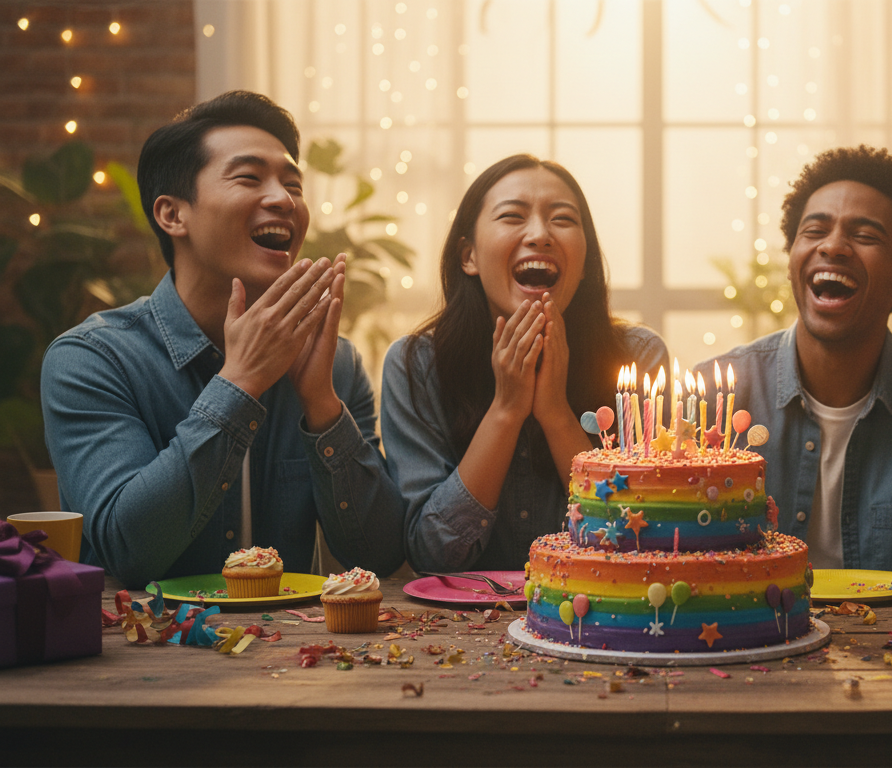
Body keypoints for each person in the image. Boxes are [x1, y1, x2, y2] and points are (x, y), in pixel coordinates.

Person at [41, 91, 405, 587]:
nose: (283, 199)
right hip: (148, 653)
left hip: (293, 657)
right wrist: (241, 382)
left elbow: (380, 552)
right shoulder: (92, 359)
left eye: (293, 185)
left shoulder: (333, 363)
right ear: (173, 215)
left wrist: (321, 405)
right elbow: (127, 553)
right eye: (249, 177)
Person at [694, 145, 892, 578]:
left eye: (864, 236)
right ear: (792, 256)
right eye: (814, 230)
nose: (834, 246)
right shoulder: (717, 395)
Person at [382, 154, 669, 573]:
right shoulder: (415, 366)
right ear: (469, 256)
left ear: (586, 262)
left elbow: (638, 543)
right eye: (512, 216)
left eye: (563, 220)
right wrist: (506, 410)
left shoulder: (639, 359)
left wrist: (555, 414)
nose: (539, 234)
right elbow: (433, 554)